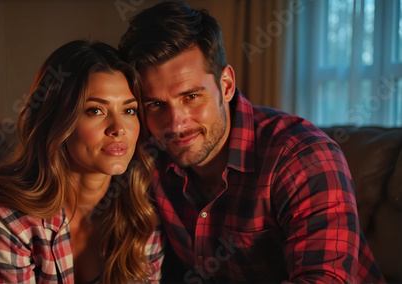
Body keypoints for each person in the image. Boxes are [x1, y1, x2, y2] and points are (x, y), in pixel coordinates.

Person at [118, 1, 384, 283]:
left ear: (227, 85)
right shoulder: (150, 159)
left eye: (191, 96)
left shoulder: (304, 157)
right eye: (157, 104)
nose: (175, 124)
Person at [0, 40, 164, 283]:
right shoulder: (6, 219)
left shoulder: (141, 209)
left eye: (129, 110)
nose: (119, 128)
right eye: (95, 110)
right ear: (57, 121)